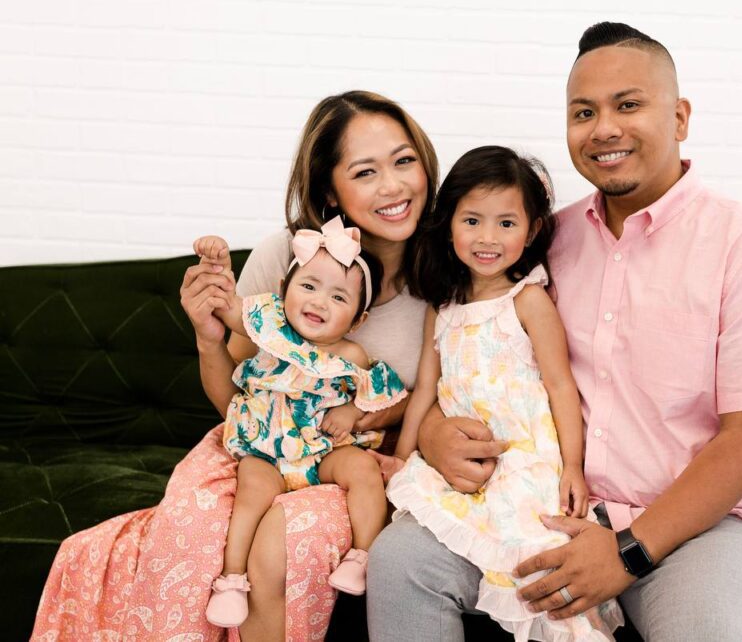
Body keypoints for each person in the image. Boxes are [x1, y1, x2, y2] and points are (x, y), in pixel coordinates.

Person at [367, 23, 742, 641]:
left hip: (698, 527)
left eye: (628, 105)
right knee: (402, 560)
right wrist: (431, 431)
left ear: (680, 118)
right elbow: (475, 351)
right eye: (584, 112)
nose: (604, 128)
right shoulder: (542, 242)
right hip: (539, 500)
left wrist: (628, 550)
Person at [33, 91, 441, 642]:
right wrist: (209, 341)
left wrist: (374, 419)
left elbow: (446, 395)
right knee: (188, 537)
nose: (393, 186)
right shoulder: (284, 256)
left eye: (404, 160)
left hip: (360, 460)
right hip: (267, 442)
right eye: (365, 171)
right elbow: (238, 398)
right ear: (329, 189)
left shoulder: (451, 268)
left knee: (279, 545)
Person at [380, 146, 623, 641]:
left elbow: (560, 386)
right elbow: (426, 389)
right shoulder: (442, 307)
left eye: (506, 224)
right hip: (461, 465)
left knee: (532, 558)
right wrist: (402, 458)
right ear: (449, 224)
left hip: (522, 457)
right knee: (424, 532)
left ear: (531, 231)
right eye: (472, 220)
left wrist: (573, 467)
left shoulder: (528, 300)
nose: (487, 238)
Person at [193, 222, 407, 627]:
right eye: (308, 286)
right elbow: (227, 307)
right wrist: (217, 265)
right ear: (282, 289)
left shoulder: (352, 355)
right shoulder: (270, 327)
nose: (319, 302)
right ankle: (232, 579)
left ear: (357, 319)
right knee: (251, 489)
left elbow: (384, 396)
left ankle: (362, 557)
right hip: (266, 449)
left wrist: (352, 413)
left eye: (338, 296)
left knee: (362, 469)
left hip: (322, 451)